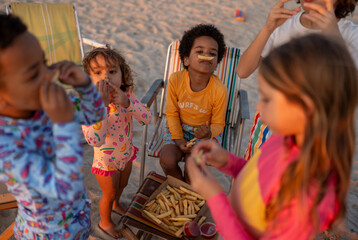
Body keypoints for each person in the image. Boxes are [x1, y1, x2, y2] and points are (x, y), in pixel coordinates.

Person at [187, 34, 358, 239]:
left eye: (267, 99)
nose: (258, 107)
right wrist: (228, 162)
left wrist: (214, 197)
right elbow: (258, 178)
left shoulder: (305, 188)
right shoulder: (283, 139)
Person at [0, 14, 106, 239]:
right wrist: (64, 124)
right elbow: (63, 187)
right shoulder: (7, 147)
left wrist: (85, 86)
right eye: (33, 74)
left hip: (78, 219)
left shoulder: (43, 104)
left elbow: (95, 114)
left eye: (44, 63)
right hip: (46, 233)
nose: (49, 76)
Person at [237, 0, 358, 160]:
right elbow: (242, 71)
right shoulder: (285, 23)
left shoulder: (352, 35)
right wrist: (267, 29)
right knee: (253, 180)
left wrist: (334, 37)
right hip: (269, 126)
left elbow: (354, 95)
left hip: (315, 136)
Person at [81, 47, 152, 238]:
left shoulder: (127, 95)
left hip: (126, 154)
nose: (106, 77)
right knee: (108, 193)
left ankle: (116, 204)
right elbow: (94, 140)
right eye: (98, 72)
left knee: (123, 184)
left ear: (122, 74)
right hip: (106, 162)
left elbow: (146, 119)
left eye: (112, 71)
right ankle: (105, 222)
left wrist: (129, 104)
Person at [159, 24, 228, 182]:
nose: (207, 56)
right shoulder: (176, 80)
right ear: (186, 59)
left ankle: (187, 192)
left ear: (217, 62)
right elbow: (172, 113)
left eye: (212, 53)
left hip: (205, 133)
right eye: (200, 51)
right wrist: (179, 139)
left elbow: (218, 123)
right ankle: (180, 188)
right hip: (178, 128)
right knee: (167, 160)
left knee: (193, 168)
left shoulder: (219, 90)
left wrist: (208, 133)